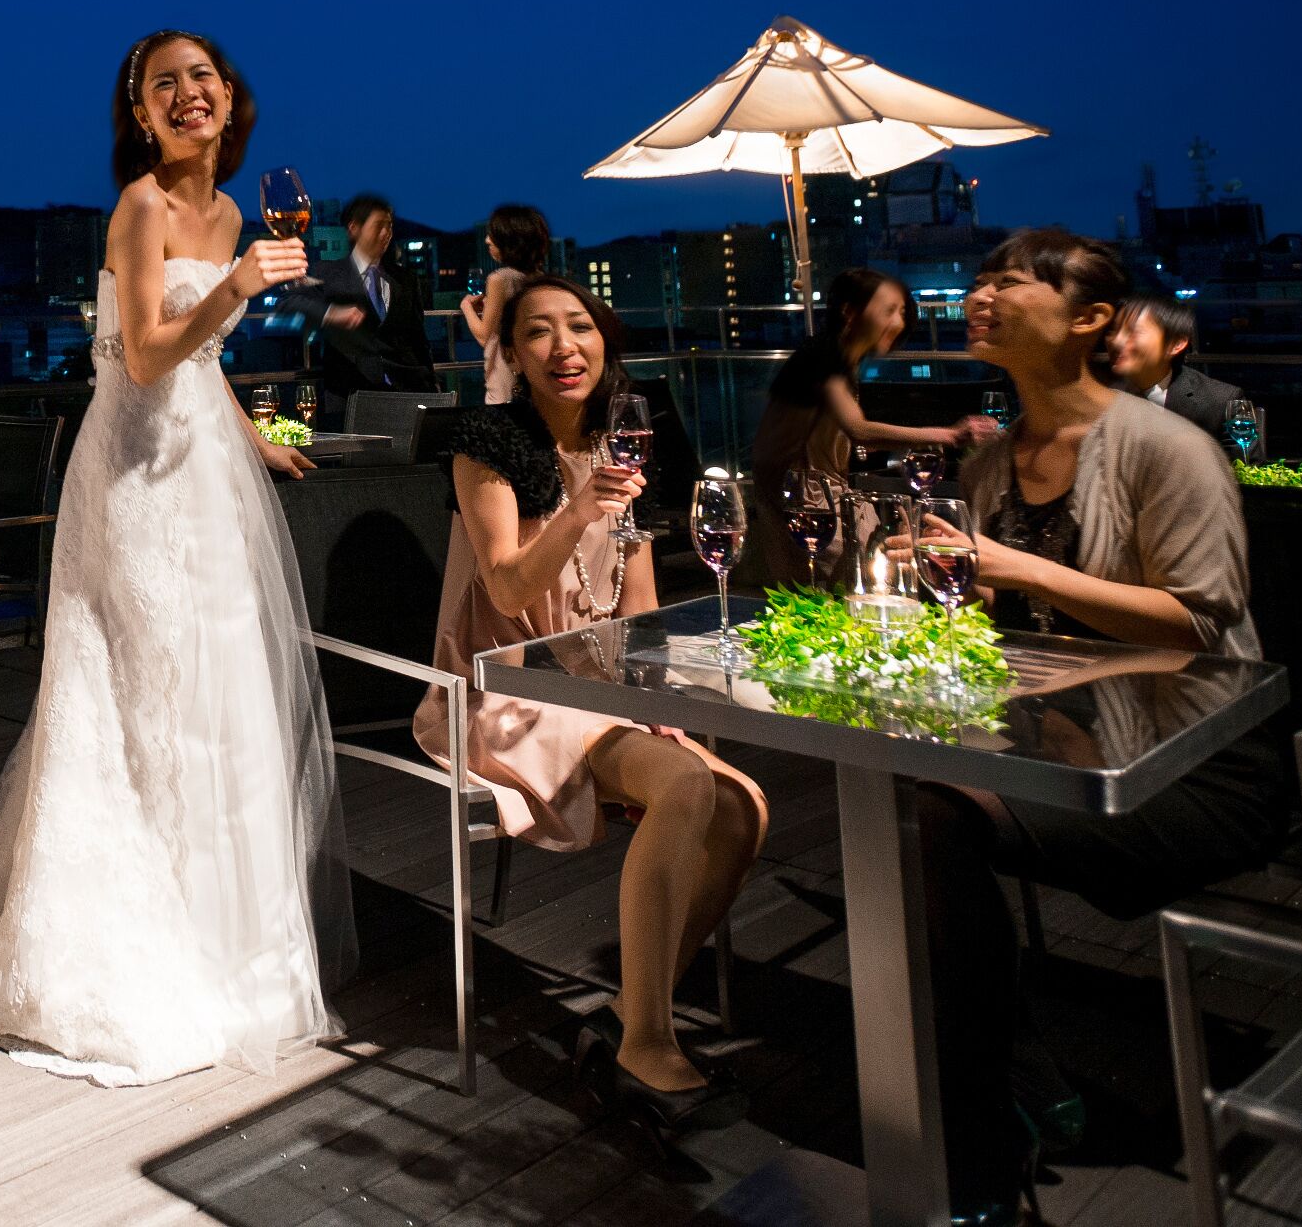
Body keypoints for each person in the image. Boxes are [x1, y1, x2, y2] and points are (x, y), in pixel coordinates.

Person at [0, 31, 348, 1085]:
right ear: (142, 116)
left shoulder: (235, 211)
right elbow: (150, 355)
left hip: (204, 472)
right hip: (131, 477)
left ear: (232, 100)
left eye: (205, 79)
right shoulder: (143, 207)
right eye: (167, 86)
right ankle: (121, 942)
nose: (189, 95)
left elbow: (201, 366)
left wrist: (256, 441)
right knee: (138, 690)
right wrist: (240, 286)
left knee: (217, 688)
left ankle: (228, 945)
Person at [914, 229, 1279, 1219]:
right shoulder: (993, 465)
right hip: (1068, 748)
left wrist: (1024, 573)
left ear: (1091, 320)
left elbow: (1203, 618)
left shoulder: (1171, 448)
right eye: (979, 278)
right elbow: (993, 633)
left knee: (934, 819)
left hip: (1195, 766)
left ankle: (984, 1152)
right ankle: (1011, 1076)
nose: (982, 292)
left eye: (1011, 280)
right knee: (907, 797)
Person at [418, 277, 766, 1131]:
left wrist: (653, 698)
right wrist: (580, 506)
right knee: (690, 788)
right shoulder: (486, 444)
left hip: (593, 689)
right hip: (504, 693)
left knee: (745, 805)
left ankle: (623, 1016)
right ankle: (649, 1042)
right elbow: (504, 587)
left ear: (606, 341)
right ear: (511, 355)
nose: (563, 345)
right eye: (537, 332)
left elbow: (637, 611)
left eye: (580, 326)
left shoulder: (623, 446)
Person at [749, 268, 994, 518]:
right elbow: (860, 431)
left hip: (808, 492)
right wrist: (948, 435)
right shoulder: (824, 357)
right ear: (849, 312)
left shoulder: (838, 358)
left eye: (901, 312)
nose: (898, 323)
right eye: (888, 311)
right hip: (804, 499)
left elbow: (842, 433)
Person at [280, 190, 439, 416]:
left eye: (390, 226)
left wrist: (432, 388)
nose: (387, 233)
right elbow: (288, 302)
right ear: (354, 228)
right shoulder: (326, 272)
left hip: (407, 394)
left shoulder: (406, 279)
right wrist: (331, 313)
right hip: (351, 395)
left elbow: (419, 342)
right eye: (379, 226)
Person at [1103, 293, 1243, 452]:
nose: (1116, 341)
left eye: (1133, 332)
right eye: (1112, 331)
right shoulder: (1096, 392)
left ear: (1176, 343)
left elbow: (1242, 472)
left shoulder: (1219, 402)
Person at [459, 203, 550, 403]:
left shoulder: (500, 278)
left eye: (493, 235)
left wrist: (466, 307)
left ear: (509, 240)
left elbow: (484, 336)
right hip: (533, 376)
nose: (487, 240)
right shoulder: (539, 278)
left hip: (505, 379)